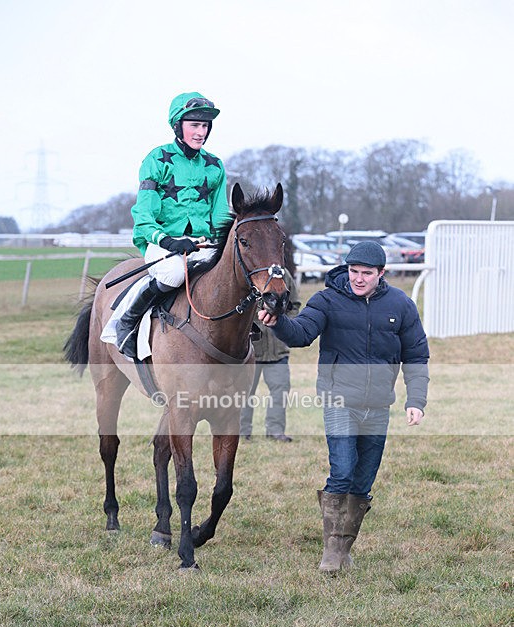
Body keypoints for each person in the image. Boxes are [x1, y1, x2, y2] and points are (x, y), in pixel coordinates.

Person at [258, 241, 429, 573]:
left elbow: (417, 356)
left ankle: (344, 547)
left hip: (378, 406)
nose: (359, 278)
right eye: (354, 271)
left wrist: (416, 401)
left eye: (367, 273)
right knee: (343, 471)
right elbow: (301, 333)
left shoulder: (401, 305)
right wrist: (277, 322)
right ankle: (332, 553)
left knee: (363, 481)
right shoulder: (327, 300)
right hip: (338, 400)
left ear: (382, 273)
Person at [101, 91, 230, 359]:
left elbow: (220, 215)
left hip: (202, 243)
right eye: (194, 125)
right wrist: (167, 240)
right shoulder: (157, 159)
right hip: (160, 243)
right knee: (173, 274)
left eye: (205, 126)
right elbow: (144, 215)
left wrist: (223, 242)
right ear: (178, 126)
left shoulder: (215, 165)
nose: (200, 132)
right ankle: (127, 321)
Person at [240, 267, 300, 442]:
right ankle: (242, 432)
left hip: (278, 350)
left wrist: (285, 324)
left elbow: (294, 304)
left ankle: (275, 431)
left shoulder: (282, 274)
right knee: (245, 393)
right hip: (249, 349)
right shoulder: (247, 274)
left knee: (280, 390)